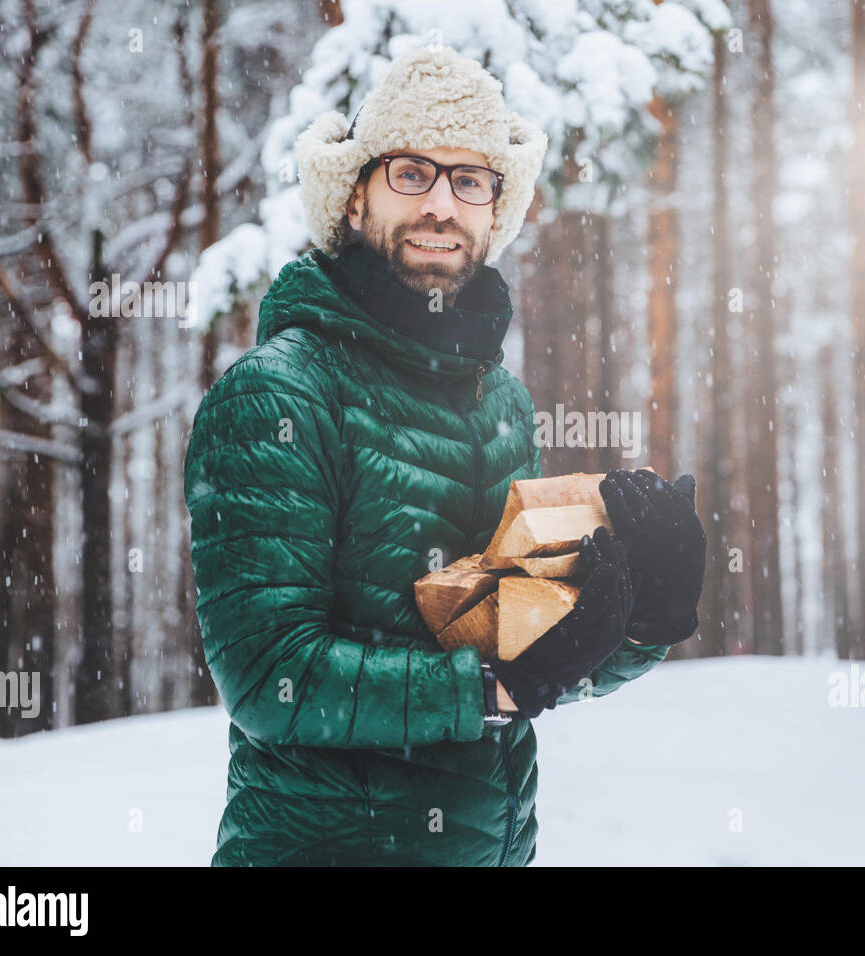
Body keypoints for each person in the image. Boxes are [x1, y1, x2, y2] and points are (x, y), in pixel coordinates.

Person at [182, 44, 706, 866]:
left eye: (470, 180)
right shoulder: (277, 395)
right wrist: (491, 690)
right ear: (355, 199)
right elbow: (269, 677)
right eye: (412, 172)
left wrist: (645, 619)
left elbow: (525, 640)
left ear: (495, 212)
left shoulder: (500, 404)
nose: (441, 204)